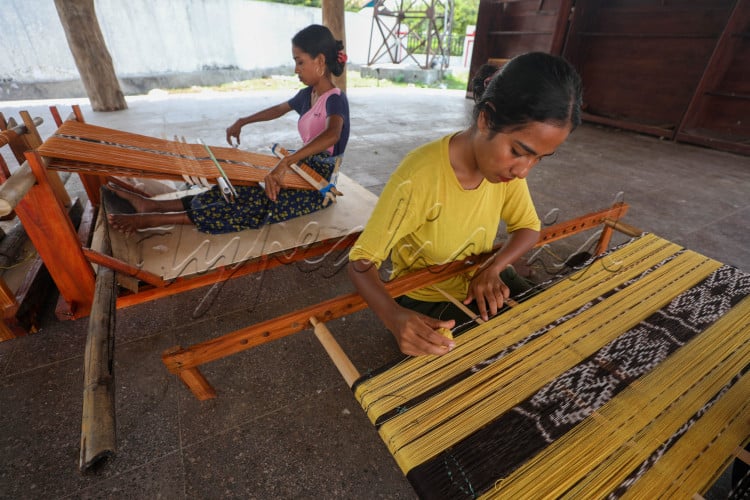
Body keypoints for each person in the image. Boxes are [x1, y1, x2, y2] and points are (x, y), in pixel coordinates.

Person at [347, 52, 583, 357]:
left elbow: (528, 227)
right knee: (494, 361)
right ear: (486, 119)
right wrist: (393, 318)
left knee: (555, 329)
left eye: (537, 159)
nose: (523, 170)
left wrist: (493, 267)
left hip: (481, 279)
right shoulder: (419, 176)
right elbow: (361, 262)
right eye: (518, 151)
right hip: (426, 295)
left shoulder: (504, 173)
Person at [107, 24, 349, 235]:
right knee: (240, 187)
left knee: (253, 206)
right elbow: (277, 109)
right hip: (301, 168)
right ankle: (154, 206)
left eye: (300, 62)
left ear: (319, 61)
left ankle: (151, 219)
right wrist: (242, 121)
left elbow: (332, 134)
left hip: (317, 185)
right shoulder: (308, 94)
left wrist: (285, 163)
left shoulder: (335, 99)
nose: (296, 69)